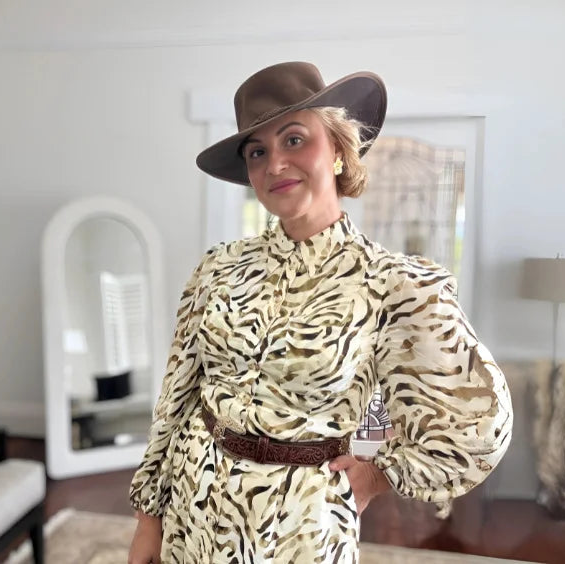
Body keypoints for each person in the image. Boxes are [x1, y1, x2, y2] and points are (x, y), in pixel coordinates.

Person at [128, 61, 513, 563]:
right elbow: (176, 398)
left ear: (337, 149)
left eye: (294, 140)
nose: (274, 164)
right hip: (192, 509)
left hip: (299, 529)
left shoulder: (392, 286)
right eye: (257, 152)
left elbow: (479, 423)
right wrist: (149, 518)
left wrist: (378, 474)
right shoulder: (218, 269)